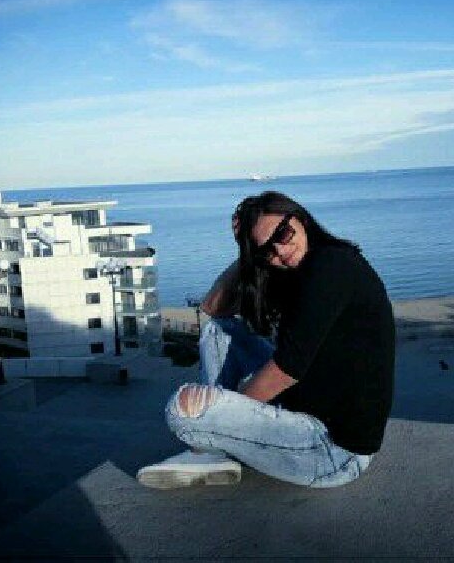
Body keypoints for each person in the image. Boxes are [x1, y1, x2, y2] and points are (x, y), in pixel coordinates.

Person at [137, 191, 395, 489]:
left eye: (283, 234)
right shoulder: (295, 269)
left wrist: (225, 412)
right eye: (267, 250)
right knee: (219, 331)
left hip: (333, 450)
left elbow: (287, 370)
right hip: (301, 406)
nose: (281, 251)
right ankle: (215, 447)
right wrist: (246, 252)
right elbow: (213, 308)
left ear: (300, 219)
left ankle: (211, 445)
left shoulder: (332, 266)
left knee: (181, 411)